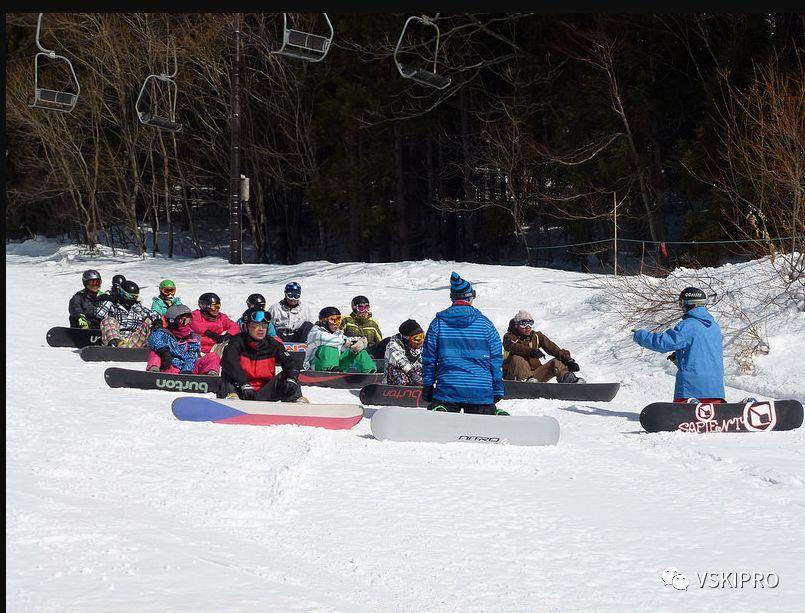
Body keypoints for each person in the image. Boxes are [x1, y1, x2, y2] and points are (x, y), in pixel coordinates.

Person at [421, 272, 507, 415]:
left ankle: (440, 409)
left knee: (441, 408)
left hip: (448, 388)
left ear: (452, 297)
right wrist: (497, 388)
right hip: (480, 390)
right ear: (470, 296)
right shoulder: (486, 325)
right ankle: (489, 413)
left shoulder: (438, 324)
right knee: (481, 412)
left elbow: (429, 359)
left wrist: (428, 385)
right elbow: (496, 360)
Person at [632, 287, 725, 403]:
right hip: (715, 388)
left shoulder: (688, 325)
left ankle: (690, 406)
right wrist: (680, 357)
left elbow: (663, 343)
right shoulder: (714, 327)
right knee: (709, 416)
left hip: (691, 388)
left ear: (688, 304)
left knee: (685, 413)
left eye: (681, 304)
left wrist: (640, 335)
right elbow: (704, 351)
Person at [219, 308, 304, 402]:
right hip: (241, 392)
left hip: (264, 393)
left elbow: (290, 361)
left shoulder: (272, 344)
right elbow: (230, 362)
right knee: (226, 371)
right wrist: (243, 383)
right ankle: (231, 398)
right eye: (256, 326)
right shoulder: (236, 342)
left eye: (264, 326)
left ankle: (296, 404)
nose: (261, 329)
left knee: (290, 374)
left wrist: (291, 378)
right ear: (246, 327)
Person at [502, 309, 583, 383]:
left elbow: (554, 349)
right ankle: (525, 380)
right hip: (514, 376)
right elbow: (513, 347)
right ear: (516, 325)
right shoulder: (509, 336)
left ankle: (569, 380)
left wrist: (568, 360)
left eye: (530, 323)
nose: (528, 327)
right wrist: (531, 351)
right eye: (523, 324)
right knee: (517, 358)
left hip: (535, 377)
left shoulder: (537, 336)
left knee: (557, 361)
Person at [146, 304, 221, 375]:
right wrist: (164, 352)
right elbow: (154, 339)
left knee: (213, 356)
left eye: (189, 321)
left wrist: (186, 370)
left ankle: (211, 376)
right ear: (173, 322)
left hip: (188, 371)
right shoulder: (163, 333)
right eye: (184, 321)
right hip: (169, 366)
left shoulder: (192, 338)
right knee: (154, 352)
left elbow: (191, 357)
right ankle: (153, 372)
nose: (187, 324)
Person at [304, 307, 377, 372]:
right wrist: (348, 343)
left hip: (337, 367)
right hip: (316, 367)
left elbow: (345, 339)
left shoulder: (337, 334)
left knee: (356, 350)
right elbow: (329, 340)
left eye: (339, 320)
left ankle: (370, 371)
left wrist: (360, 341)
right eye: (333, 320)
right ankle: (330, 370)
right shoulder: (316, 332)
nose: (337, 323)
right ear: (324, 321)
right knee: (329, 347)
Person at [94, 280, 156, 347]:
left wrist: (156, 321)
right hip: (117, 338)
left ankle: (153, 348)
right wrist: (110, 300)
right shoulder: (112, 305)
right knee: (108, 320)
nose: (132, 299)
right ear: (122, 293)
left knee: (150, 322)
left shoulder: (136, 307)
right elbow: (98, 314)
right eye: (130, 296)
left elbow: (153, 315)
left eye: (135, 297)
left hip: (133, 341)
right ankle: (116, 344)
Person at [190, 292, 241, 357]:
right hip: (200, 350)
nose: (217, 309)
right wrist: (210, 334)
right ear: (204, 306)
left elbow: (235, 326)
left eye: (218, 306)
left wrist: (226, 336)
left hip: (215, 348)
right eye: (214, 306)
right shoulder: (196, 315)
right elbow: (194, 324)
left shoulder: (221, 317)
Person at [383, 319, 424, 386]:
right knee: (394, 368)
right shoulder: (393, 345)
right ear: (406, 338)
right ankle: (405, 388)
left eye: (422, 336)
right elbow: (399, 360)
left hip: (418, 378)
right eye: (416, 338)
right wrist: (411, 373)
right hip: (397, 380)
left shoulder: (423, 345)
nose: (421, 340)